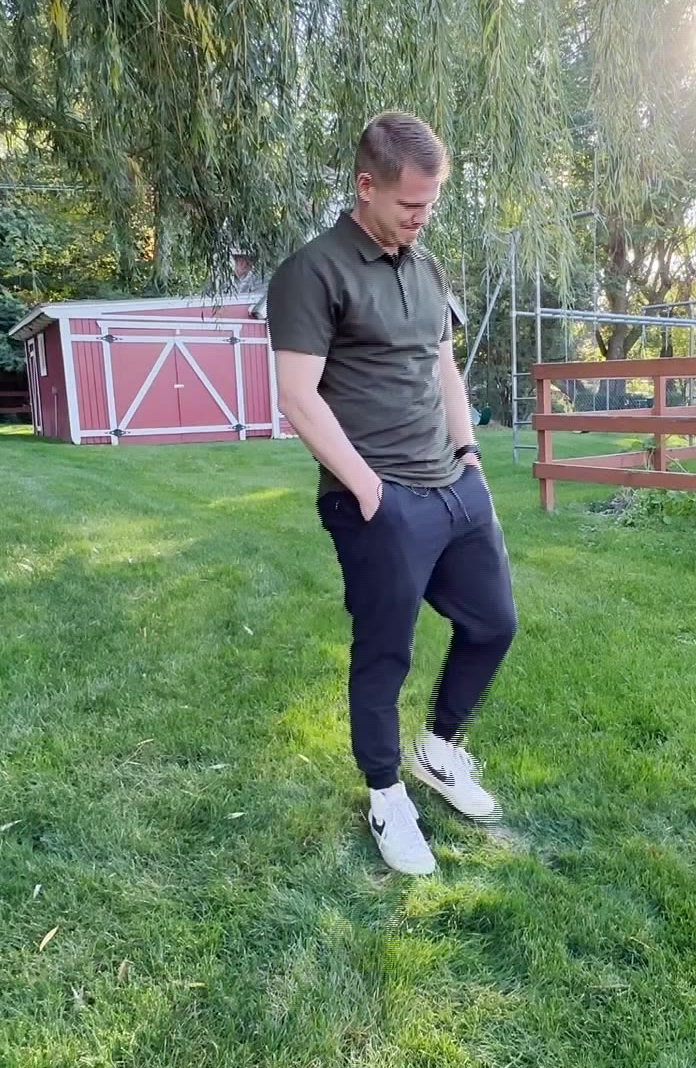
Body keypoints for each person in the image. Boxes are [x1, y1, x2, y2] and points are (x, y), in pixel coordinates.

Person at [268, 111, 516, 876]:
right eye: (410, 205)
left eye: (431, 205)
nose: (420, 218)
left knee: (493, 623)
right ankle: (385, 794)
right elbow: (297, 395)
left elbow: (442, 365)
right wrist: (370, 488)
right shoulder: (314, 272)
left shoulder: (428, 268)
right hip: (378, 497)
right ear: (365, 186)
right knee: (386, 652)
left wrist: (469, 450)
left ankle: (438, 749)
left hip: (452, 484)